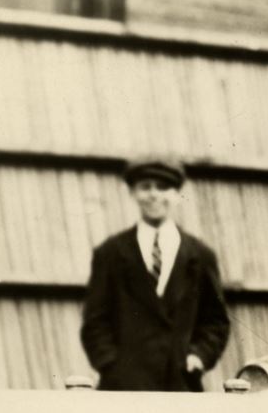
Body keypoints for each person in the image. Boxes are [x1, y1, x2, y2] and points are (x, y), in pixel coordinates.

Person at [80, 155, 230, 391]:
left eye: (163, 187)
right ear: (133, 193)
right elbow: (94, 322)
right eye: (145, 187)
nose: (154, 195)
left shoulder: (200, 255)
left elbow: (216, 321)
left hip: (181, 384)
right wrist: (112, 365)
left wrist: (199, 356)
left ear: (177, 194)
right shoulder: (109, 253)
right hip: (124, 388)